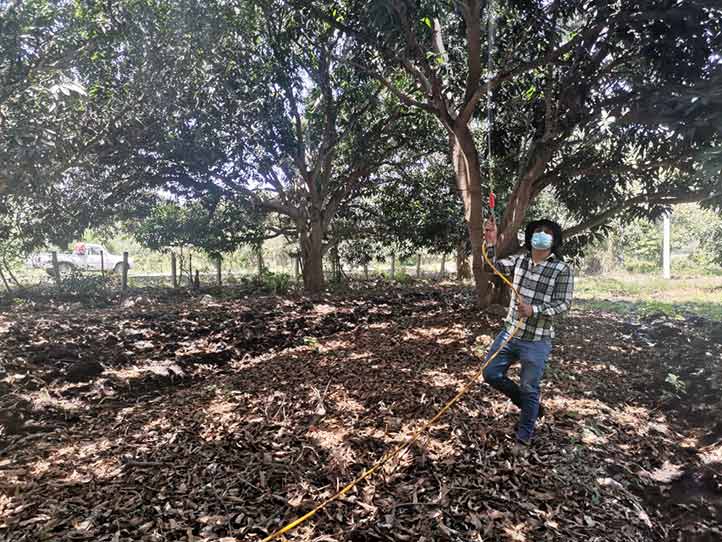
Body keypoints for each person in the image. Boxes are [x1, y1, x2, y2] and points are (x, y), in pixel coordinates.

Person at [482, 216, 574, 446]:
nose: (541, 235)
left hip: (536, 339)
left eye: (547, 232)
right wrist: (491, 242)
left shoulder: (561, 269)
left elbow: (564, 305)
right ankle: (528, 406)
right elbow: (491, 267)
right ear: (530, 237)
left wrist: (535, 310)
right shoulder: (519, 261)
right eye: (537, 231)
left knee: (529, 387)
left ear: (554, 241)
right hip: (510, 333)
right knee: (490, 373)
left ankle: (523, 437)